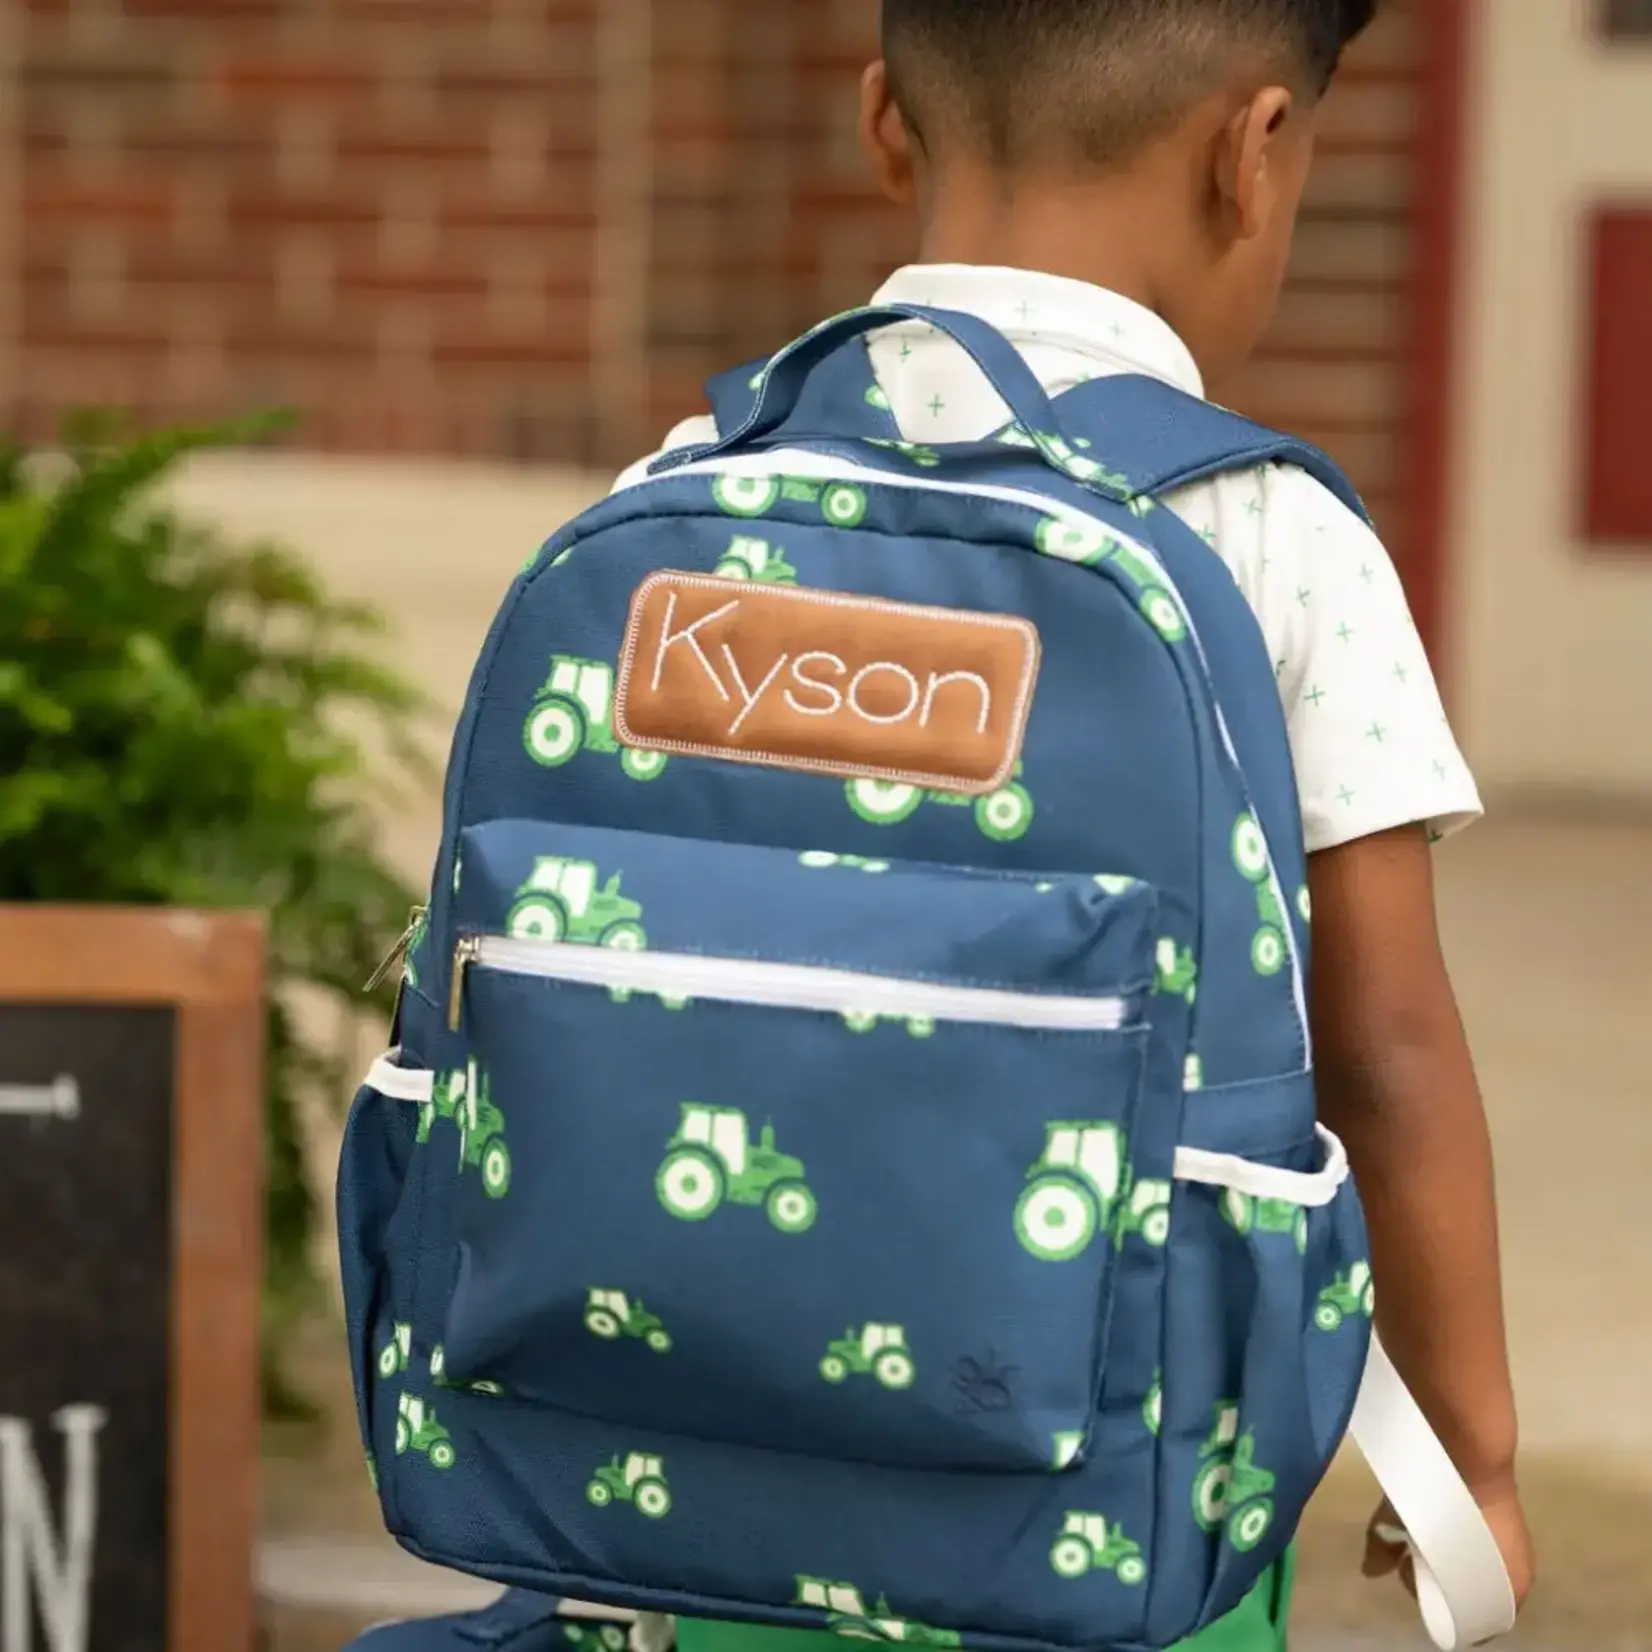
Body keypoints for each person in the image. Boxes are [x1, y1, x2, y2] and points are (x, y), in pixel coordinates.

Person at [607, 2, 1535, 1649]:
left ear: (886, 121)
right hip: (1117, 1493)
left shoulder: (680, 495)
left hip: (699, 1465)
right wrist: (1472, 1455)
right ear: (1253, 156)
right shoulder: (1271, 537)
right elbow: (1382, 1052)